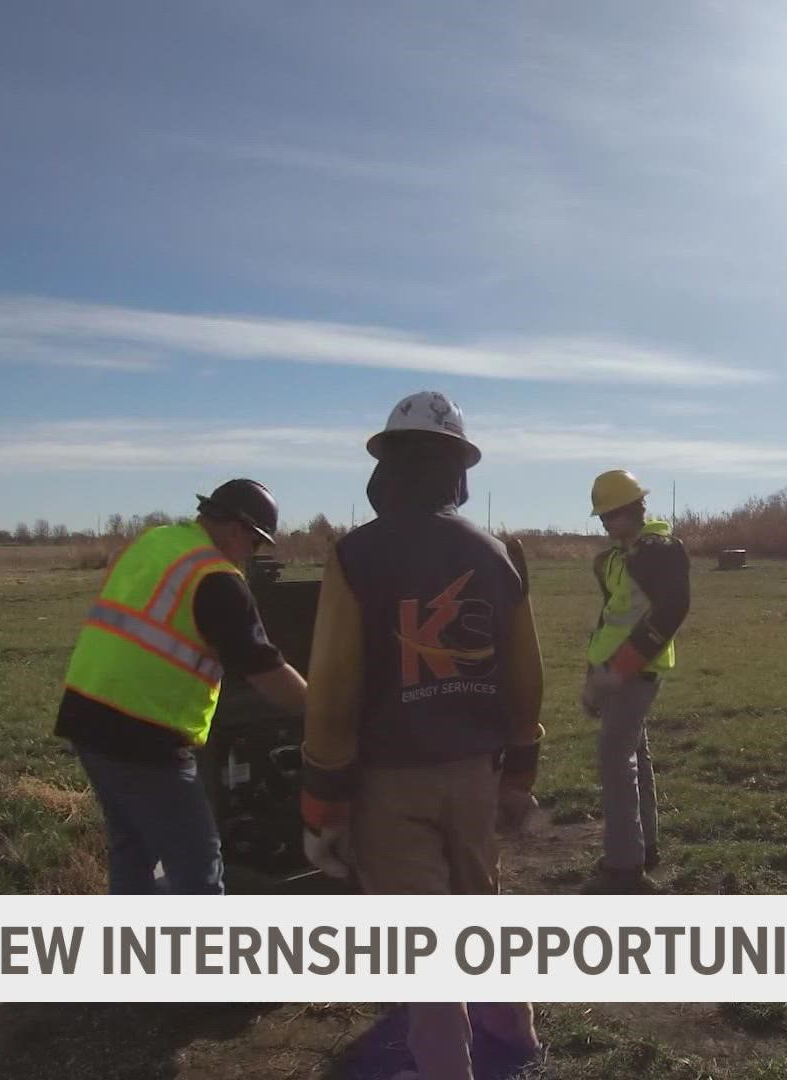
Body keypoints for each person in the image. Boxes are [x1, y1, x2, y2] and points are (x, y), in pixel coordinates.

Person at [299, 391, 545, 1079]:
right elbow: (527, 677)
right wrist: (519, 773)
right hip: (476, 775)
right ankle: (516, 1041)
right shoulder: (498, 554)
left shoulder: (355, 555)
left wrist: (322, 806)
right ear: (457, 469)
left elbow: (334, 691)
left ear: (387, 466)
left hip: (388, 784)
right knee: (480, 913)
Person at [56, 478, 307, 894]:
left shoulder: (155, 541)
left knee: (131, 847)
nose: (253, 553)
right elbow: (263, 669)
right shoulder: (216, 578)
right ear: (236, 530)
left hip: (87, 713)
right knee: (199, 867)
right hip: (144, 734)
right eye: (256, 543)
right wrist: (321, 709)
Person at [581, 468, 691, 894]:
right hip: (612, 672)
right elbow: (610, 618)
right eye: (604, 519)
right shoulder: (614, 558)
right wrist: (594, 673)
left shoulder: (658, 550)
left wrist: (618, 670)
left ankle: (625, 870)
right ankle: (643, 849)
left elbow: (672, 609)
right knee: (633, 755)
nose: (608, 525)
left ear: (635, 509)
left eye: (613, 516)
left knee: (615, 757)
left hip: (636, 671)